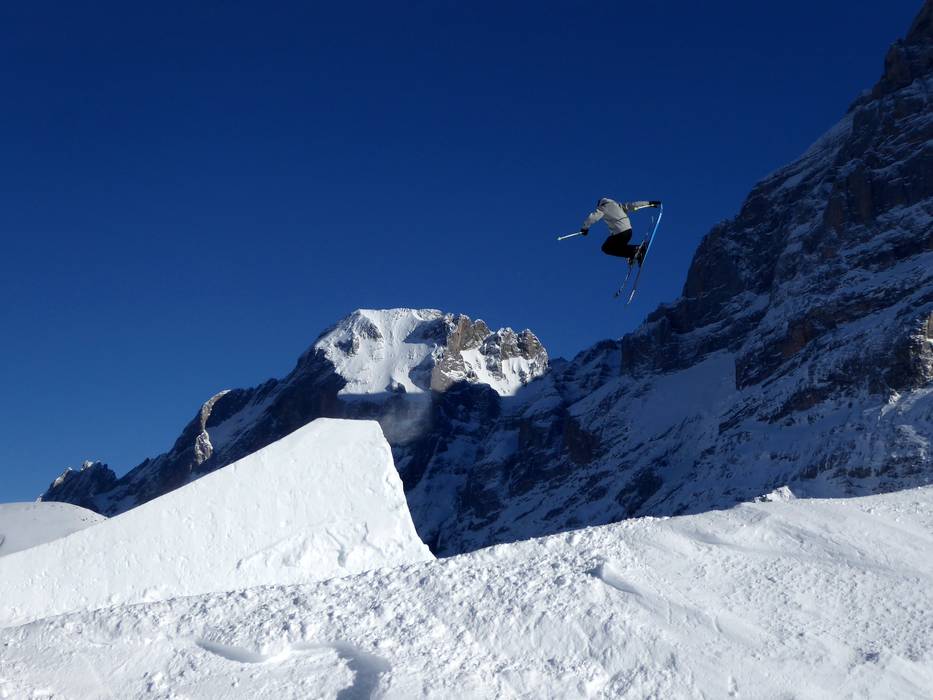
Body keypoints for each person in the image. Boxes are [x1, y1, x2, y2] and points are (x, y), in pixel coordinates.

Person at [581, 198, 662, 264]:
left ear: (600, 203)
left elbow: (592, 217)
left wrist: (585, 228)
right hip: (628, 232)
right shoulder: (617, 205)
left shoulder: (603, 207)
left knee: (606, 248)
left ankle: (636, 250)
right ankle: (634, 254)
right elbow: (632, 205)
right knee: (617, 246)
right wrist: (648, 203)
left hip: (621, 233)